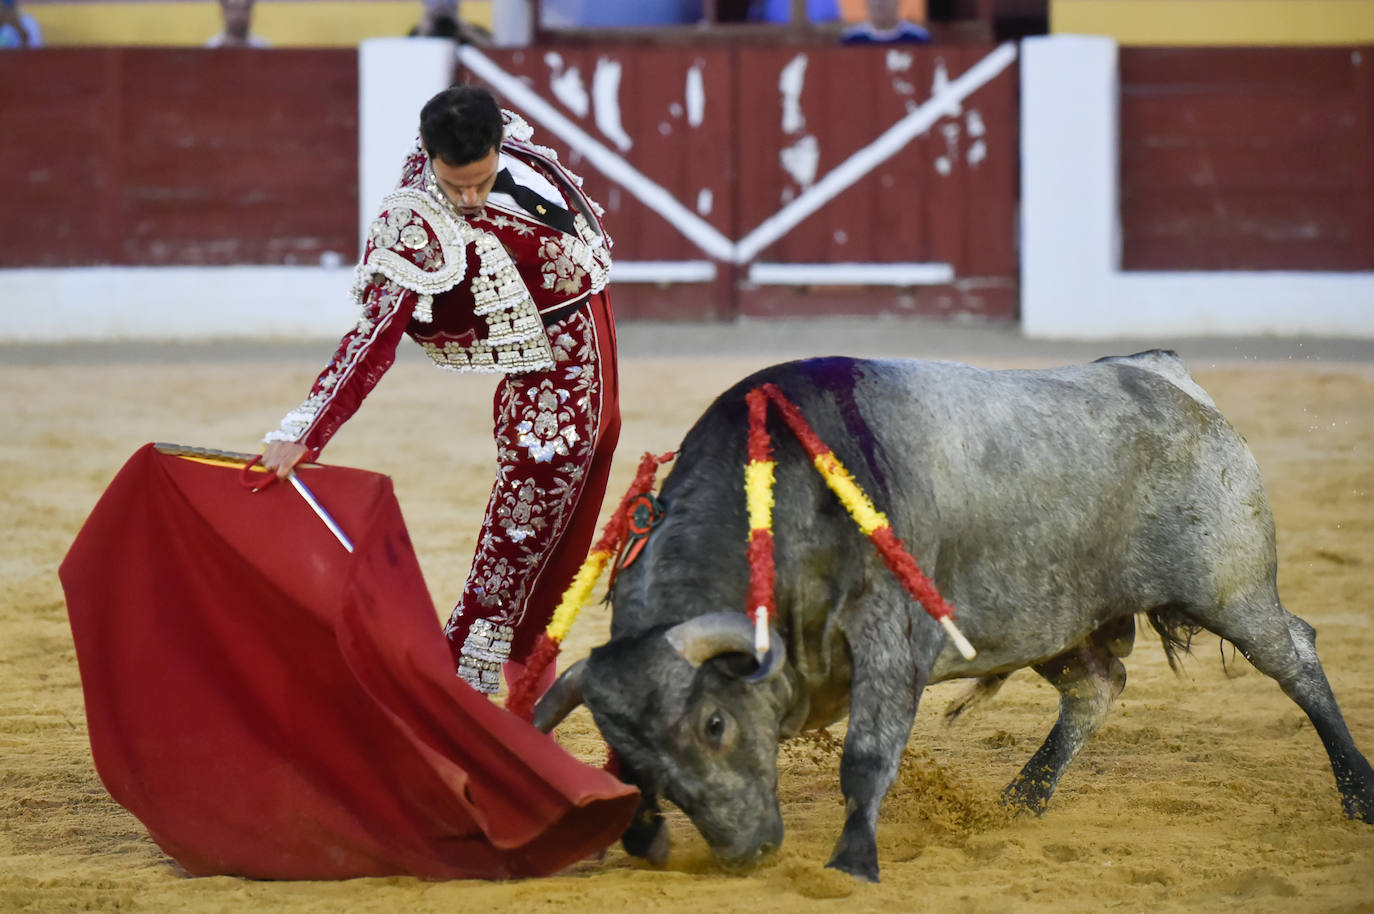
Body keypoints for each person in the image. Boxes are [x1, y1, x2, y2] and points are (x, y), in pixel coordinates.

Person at [261, 85, 619, 698]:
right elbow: (373, 337)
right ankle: (465, 679)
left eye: (481, 180)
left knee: (571, 518)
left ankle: (529, 673)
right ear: (429, 155)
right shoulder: (417, 222)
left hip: (594, 336)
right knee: (529, 513)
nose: (471, 198)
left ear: (497, 145)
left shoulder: (501, 140)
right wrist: (305, 432)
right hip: (549, 367)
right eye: (457, 186)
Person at [840, 0, 929, 43]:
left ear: (899, 2)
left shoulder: (918, 38)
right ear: (865, 2)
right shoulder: (851, 39)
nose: (880, 3)